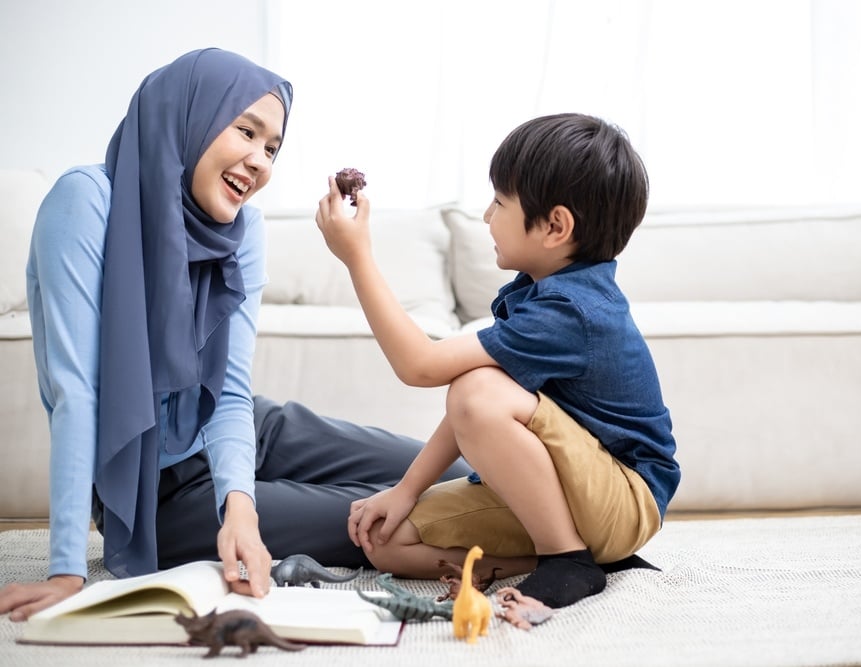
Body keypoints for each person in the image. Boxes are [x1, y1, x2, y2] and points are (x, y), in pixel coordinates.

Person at [0, 48, 470, 622]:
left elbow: (227, 393)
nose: (259, 161)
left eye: (272, 147)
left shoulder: (242, 229)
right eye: (245, 131)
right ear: (187, 116)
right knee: (391, 516)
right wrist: (66, 572)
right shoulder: (85, 203)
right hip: (161, 492)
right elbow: (78, 393)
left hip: (246, 426)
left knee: (455, 473)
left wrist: (241, 509)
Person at [315, 112, 680, 623]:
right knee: (386, 543)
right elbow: (470, 416)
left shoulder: (570, 310)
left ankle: (567, 559)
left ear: (555, 226)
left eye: (499, 202)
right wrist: (406, 491)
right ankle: (567, 558)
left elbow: (422, 367)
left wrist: (357, 257)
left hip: (622, 497)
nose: (487, 216)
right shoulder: (537, 294)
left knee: (476, 388)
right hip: (570, 496)